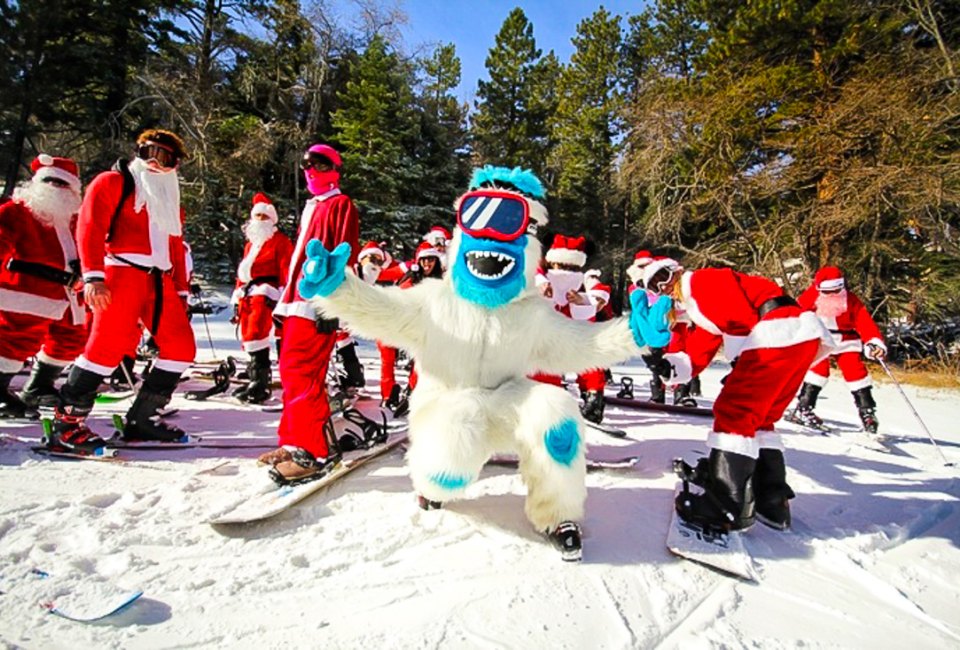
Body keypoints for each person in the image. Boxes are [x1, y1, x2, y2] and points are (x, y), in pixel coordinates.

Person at [295, 165, 662, 561]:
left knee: (556, 412)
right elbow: (380, 309)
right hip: (445, 403)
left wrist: (633, 334)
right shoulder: (434, 300)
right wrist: (339, 289)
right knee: (454, 444)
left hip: (505, 401)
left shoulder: (530, 314)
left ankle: (558, 513)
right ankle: (432, 486)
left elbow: (581, 344)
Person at [643, 259, 834, 531]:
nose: (665, 288)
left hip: (777, 331)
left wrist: (739, 362)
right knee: (760, 418)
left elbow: (739, 316)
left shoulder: (702, 281)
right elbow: (699, 350)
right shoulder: (700, 306)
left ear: (677, 271)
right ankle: (771, 500)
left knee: (734, 411)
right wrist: (669, 366)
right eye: (655, 287)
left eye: (663, 279)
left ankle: (726, 506)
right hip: (796, 336)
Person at [46, 129, 196, 453]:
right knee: (106, 348)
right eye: (149, 152)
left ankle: (142, 420)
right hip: (120, 272)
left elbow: (176, 247)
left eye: (165, 157)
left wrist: (181, 292)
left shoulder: (169, 198)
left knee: (181, 347)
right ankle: (67, 424)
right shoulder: (112, 182)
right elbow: (90, 226)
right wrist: (93, 277)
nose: (155, 162)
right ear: (137, 152)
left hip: (159, 280)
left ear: (175, 165)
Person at [259, 143, 360, 484]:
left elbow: (343, 254)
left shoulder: (339, 204)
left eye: (319, 164)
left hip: (314, 304)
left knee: (303, 375)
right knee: (291, 375)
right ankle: (292, 442)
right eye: (306, 164)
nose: (310, 170)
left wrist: (330, 304)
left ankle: (312, 451)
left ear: (334, 169)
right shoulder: (313, 206)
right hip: (295, 303)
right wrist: (284, 304)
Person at [0, 155, 88, 418]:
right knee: (14, 341)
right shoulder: (16, 212)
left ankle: (39, 386)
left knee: (73, 339)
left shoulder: (76, 220)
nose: (56, 189)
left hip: (69, 293)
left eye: (63, 184)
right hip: (23, 291)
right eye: (50, 181)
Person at [789, 266, 887, 433]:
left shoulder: (850, 300)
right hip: (821, 339)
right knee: (819, 371)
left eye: (836, 290)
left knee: (855, 371)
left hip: (847, 341)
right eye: (827, 292)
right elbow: (796, 314)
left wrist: (873, 342)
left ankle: (867, 412)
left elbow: (864, 322)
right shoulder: (811, 296)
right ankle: (804, 407)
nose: (832, 294)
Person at [532, 235, 607, 424]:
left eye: (573, 268)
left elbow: (599, 292)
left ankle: (592, 400)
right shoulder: (541, 279)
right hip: (545, 336)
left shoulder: (582, 282)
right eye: (561, 267)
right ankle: (549, 405)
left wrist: (586, 301)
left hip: (572, 331)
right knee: (544, 364)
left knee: (588, 354)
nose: (566, 274)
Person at [230, 193, 294, 403]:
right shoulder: (251, 244)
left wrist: (285, 296)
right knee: (248, 336)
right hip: (248, 292)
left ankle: (261, 383)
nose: (259, 220)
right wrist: (238, 292)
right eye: (256, 216)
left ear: (272, 219)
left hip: (268, 292)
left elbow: (287, 269)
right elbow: (244, 270)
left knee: (258, 332)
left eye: (263, 217)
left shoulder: (280, 241)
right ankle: (255, 379)